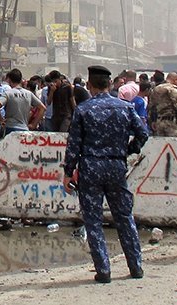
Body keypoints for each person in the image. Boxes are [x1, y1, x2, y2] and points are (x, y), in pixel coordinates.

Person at [63, 65, 149, 283]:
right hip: (116, 167)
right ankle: (136, 266)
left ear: (90, 85)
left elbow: (74, 144)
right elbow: (143, 134)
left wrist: (68, 171)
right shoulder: (126, 108)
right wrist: (127, 150)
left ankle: (103, 270)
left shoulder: (83, 109)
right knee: (124, 217)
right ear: (110, 84)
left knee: (93, 220)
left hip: (91, 167)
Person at [149, 73, 177, 137]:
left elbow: (151, 106)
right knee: (175, 144)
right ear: (175, 80)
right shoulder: (172, 89)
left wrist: (153, 120)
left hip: (159, 121)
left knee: (160, 144)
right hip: (171, 122)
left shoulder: (156, 89)